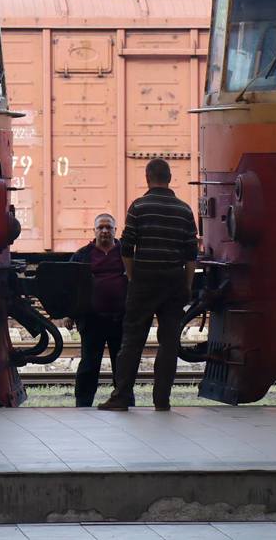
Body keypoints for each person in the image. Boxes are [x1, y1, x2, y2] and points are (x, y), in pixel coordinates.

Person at [97, 158, 197, 412]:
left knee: (132, 341)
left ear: (147, 178)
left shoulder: (139, 207)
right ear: (170, 178)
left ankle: (121, 397)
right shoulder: (185, 210)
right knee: (169, 343)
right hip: (174, 281)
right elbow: (190, 255)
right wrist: (186, 286)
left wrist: (132, 276)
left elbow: (127, 248)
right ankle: (162, 400)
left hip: (143, 280)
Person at [69, 213, 127, 407]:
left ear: (115, 231)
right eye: (100, 227)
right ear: (94, 231)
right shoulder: (82, 255)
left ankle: (124, 399)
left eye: (108, 227)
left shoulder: (126, 254)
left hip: (121, 318)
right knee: (89, 364)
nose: (104, 231)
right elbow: (71, 285)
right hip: (92, 318)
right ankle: (83, 402)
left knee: (122, 365)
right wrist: (70, 313)